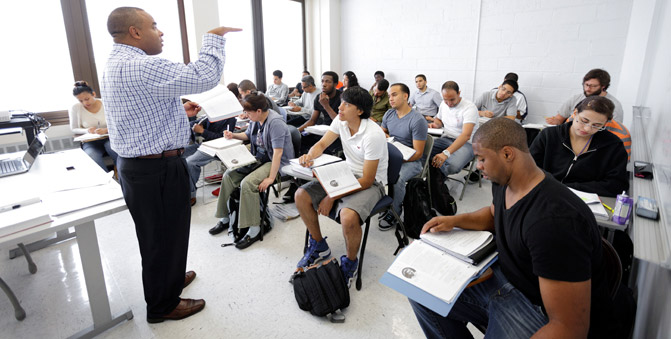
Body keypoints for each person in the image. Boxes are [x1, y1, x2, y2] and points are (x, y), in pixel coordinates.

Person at [411, 117, 615, 338]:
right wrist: (455, 221)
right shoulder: (505, 181)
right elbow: (493, 215)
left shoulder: (555, 223)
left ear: (507, 154)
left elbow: (569, 328)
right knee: (419, 290)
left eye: (481, 158)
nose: (478, 166)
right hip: (506, 279)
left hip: (534, 306)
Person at [100, 6, 240, 323]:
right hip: (155, 169)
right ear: (135, 32)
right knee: (161, 237)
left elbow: (140, 109)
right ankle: (162, 306)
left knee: (165, 233)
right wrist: (213, 39)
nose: (160, 32)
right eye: (154, 26)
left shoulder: (115, 63)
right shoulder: (141, 65)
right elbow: (203, 75)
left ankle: (171, 280)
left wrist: (180, 111)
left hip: (139, 165)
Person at [294, 86, 388, 287]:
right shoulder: (341, 120)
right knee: (301, 194)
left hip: (371, 183)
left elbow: (368, 180)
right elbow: (321, 145)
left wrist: (332, 195)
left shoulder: (373, 135)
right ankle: (319, 245)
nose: (340, 107)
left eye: (347, 104)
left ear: (360, 111)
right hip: (346, 173)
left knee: (347, 216)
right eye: (342, 102)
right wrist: (309, 156)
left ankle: (350, 263)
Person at [210, 92, 294, 248]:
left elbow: (278, 153)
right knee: (228, 175)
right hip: (260, 157)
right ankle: (226, 218)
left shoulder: (275, 123)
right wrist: (232, 135)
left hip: (276, 162)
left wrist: (271, 178)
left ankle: (254, 228)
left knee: (247, 184)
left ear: (259, 111)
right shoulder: (256, 120)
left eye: (248, 112)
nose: (245, 115)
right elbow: (247, 135)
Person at [530, 96, 628, 197]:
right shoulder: (549, 136)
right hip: (543, 193)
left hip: (583, 199)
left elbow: (617, 184)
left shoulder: (613, 146)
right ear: (575, 113)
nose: (587, 128)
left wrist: (569, 188)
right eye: (584, 121)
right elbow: (528, 169)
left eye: (597, 125)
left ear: (605, 124)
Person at [378, 83, 428, 230]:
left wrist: (397, 160)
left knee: (397, 177)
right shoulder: (389, 114)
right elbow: (381, 133)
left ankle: (395, 211)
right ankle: (386, 203)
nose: (390, 99)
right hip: (392, 154)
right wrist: (384, 135)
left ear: (405, 96)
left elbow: (418, 153)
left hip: (411, 160)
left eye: (394, 95)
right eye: (389, 96)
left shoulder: (417, 120)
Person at [184, 112, 236, 206]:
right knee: (177, 154)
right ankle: (181, 186)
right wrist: (194, 126)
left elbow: (222, 139)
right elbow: (194, 123)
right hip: (204, 145)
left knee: (190, 162)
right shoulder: (210, 115)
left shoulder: (230, 118)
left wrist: (203, 131)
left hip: (216, 149)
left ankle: (191, 195)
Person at [428, 81, 478, 177]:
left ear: (459, 93)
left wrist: (446, 153)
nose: (449, 103)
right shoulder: (444, 104)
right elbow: (438, 119)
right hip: (446, 138)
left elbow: (466, 135)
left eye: (452, 100)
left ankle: (436, 181)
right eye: (446, 100)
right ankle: (433, 179)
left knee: (452, 166)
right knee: (422, 151)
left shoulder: (469, 108)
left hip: (466, 143)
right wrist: (436, 124)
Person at [69, 80, 118, 171]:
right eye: (80, 101)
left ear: (93, 94)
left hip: (110, 138)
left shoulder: (106, 103)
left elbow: (118, 123)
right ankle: (107, 181)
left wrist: (106, 130)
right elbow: (74, 128)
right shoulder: (75, 108)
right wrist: (87, 130)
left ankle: (122, 177)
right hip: (90, 141)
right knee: (92, 156)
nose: (85, 103)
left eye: (87, 99)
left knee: (113, 149)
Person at [546, 68, 624, 125]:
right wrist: (556, 121)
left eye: (593, 86)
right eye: (586, 85)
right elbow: (559, 118)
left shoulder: (614, 106)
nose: (587, 89)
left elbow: (613, 132)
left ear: (603, 87)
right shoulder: (576, 98)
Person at [297, 71, 343, 155]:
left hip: (336, 133)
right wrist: (297, 131)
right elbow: (312, 121)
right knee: (299, 140)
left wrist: (326, 105)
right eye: (322, 81)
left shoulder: (342, 98)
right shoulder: (319, 97)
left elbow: (340, 123)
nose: (324, 84)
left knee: (329, 150)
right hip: (322, 130)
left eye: (328, 81)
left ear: (335, 84)